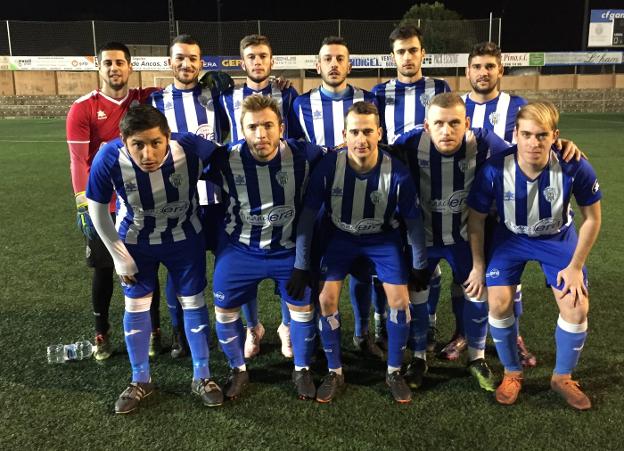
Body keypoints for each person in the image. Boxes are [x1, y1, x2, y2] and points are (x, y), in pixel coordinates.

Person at [86, 104, 223, 413]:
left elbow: (227, 163)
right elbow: (96, 206)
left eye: (155, 143)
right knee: (136, 304)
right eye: (138, 145)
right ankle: (140, 379)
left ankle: (202, 375)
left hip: (185, 238)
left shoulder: (188, 147)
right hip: (136, 242)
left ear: (168, 137)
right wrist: (120, 257)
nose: (147, 153)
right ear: (123, 140)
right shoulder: (109, 156)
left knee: (193, 302)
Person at [466, 101, 601, 410]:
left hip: (557, 239)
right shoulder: (495, 168)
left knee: (577, 306)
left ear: (555, 135)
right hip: (509, 238)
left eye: (542, 135)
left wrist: (576, 266)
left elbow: (592, 218)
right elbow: (475, 219)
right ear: (516, 134)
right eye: (526, 134)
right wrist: (478, 264)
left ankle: (561, 378)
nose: (533, 142)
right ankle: (512, 372)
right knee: (498, 303)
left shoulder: (574, 165)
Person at [292, 101, 429, 404]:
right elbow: (307, 215)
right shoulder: (329, 167)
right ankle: (335, 370)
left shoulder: (397, 172)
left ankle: (393, 371)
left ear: (379, 132)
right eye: (354, 131)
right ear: (344, 134)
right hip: (341, 237)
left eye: (368, 131)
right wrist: (302, 264)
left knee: (400, 300)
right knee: (326, 299)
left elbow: (414, 221)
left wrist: (419, 264)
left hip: (382, 239)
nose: (361, 139)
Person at [191, 95, 323, 400]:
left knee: (303, 308)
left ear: (281, 127)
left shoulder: (305, 154)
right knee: (223, 310)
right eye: (252, 127)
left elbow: (341, 158)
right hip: (240, 250)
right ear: (241, 129)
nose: (260, 134)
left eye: (267, 126)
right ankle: (238, 369)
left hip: (287, 250)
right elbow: (184, 156)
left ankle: (301, 369)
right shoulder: (225, 159)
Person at [391, 92, 512, 391]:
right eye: (439, 124)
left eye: (455, 123)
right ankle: (418, 358)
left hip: (463, 237)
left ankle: (477, 357)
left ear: (467, 123)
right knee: (416, 295)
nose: (447, 131)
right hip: (425, 238)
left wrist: (562, 147)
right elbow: (368, 154)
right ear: (426, 126)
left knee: (477, 291)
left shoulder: (483, 142)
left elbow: (523, 151)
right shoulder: (408, 143)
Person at [66, 42, 161, 361]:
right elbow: (78, 160)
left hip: (140, 202)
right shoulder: (83, 107)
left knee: (147, 266)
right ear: (99, 67)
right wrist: (83, 202)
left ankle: (154, 330)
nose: (114, 68)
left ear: (130, 67)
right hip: (104, 205)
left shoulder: (144, 99)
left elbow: (178, 88)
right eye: (108, 63)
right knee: (104, 270)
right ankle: (101, 332)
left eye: (120, 62)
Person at [293, 36, 383, 358]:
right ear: (317, 65)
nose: (333, 64)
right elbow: (295, 148)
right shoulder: (299, 104)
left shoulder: (368, 99)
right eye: (327, 59)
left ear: (349, 64)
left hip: (360, 197)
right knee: (318, 270)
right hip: (319, 201)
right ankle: (318, 333)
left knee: (362, 269)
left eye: (339, 58)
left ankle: (363, 333)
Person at [219, 34, 302, 360]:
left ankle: (285, 326)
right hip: (241, 186)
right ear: (243, 62)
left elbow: (295, 134)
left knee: (286, 255)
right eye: (251, 56)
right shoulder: (227, 96)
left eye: (262, 56)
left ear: (272, 60)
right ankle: (253, 327)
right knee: (246, 262)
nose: (257, 62)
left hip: (281, 181)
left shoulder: (287, 92)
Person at [372, 24, 451, 350]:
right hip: (393, 189)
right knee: (389, 261)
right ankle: (381, 325)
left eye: (412, 50)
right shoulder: (379, 93)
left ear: (423, 53)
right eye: (401, 51)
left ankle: (428, 324)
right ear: (393, 56)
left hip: (433, 190)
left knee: (428, 262)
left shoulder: (440, 86)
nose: (407, 56)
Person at [150, 33, 225, 359]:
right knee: (183, 273)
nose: (186, 63)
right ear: (171, 62)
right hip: (182, 205)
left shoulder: (217, 96)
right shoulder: (156, 102)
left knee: (229, 268)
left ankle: (239, 330)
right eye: (180, 57)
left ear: (201, 62)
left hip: (220, 202)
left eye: (193, 58)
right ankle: (183, 334)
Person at [461, 41, 535, 367]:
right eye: (477, 66)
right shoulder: (456, 109)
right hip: (465, 207)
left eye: (489, 66)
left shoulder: (518, 106)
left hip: (506, 209)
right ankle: (463, 334)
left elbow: (536, 137)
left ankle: (514, 335)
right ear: (467, 71)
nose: (483, 72)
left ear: (500, 70)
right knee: (465, 275)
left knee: (509, 276)